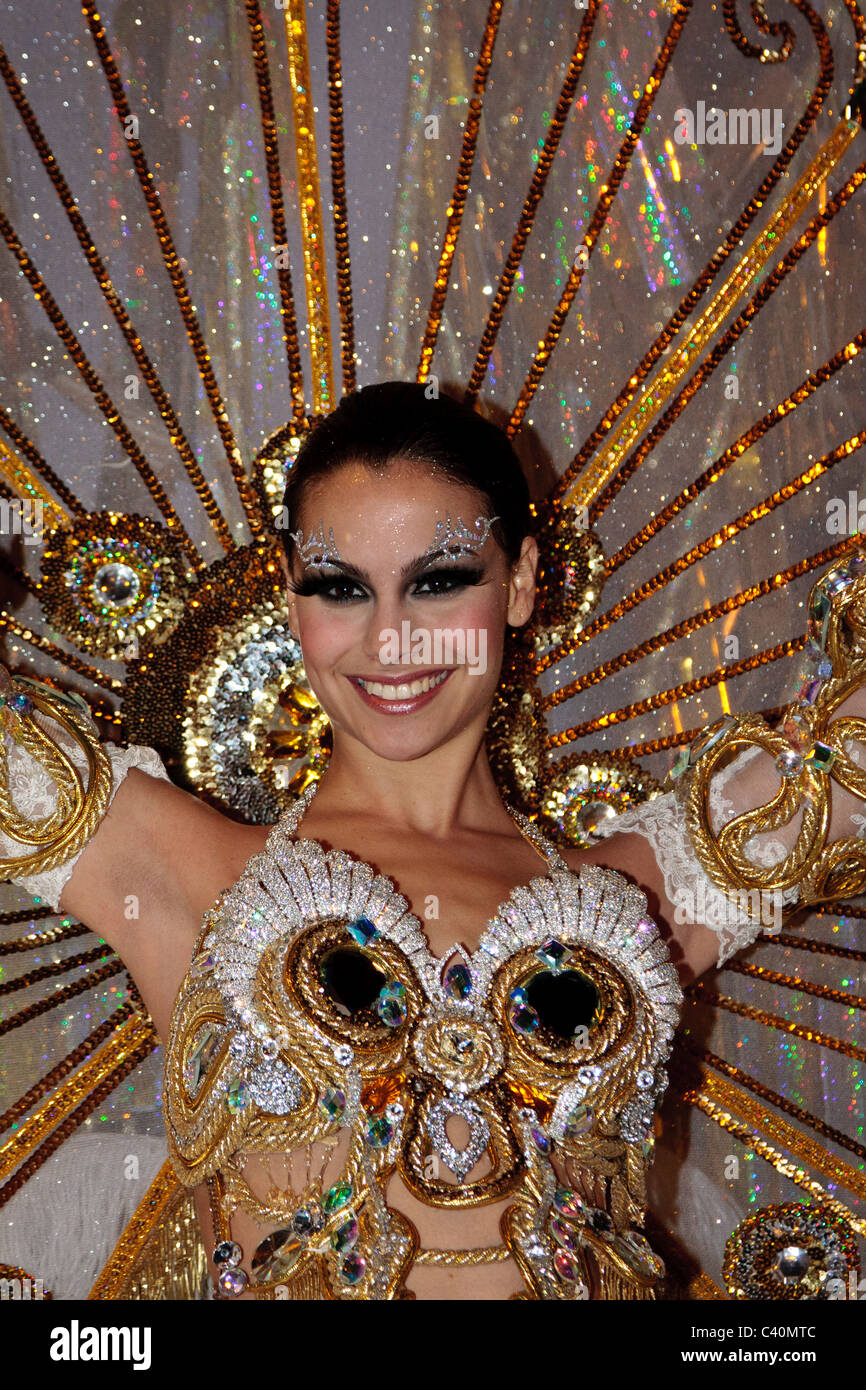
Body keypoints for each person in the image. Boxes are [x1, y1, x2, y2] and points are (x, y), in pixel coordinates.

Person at [2, 381, 865, 1300]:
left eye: (440, 579)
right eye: (339, 587)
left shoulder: (635, 905)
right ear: (293, 602)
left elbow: (843, 769)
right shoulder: (183, 871)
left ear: (523, 581)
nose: (392, 638)